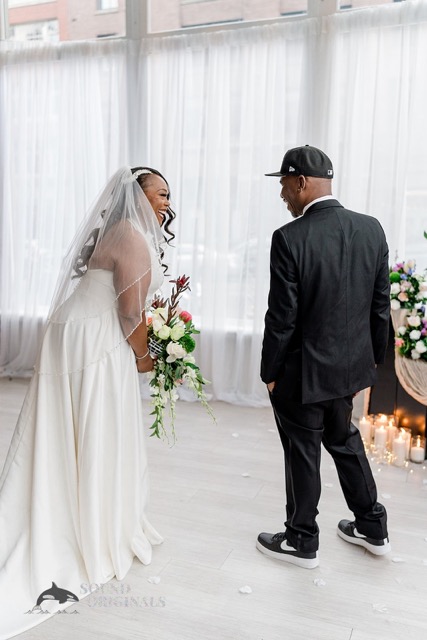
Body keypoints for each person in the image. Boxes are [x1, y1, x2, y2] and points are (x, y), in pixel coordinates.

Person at [0, 166, 175, 638]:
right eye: (159, 193)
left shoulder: (122, 230)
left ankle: (70, 498)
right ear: (135, 196)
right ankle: (90, 522)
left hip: (75, 328)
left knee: (64, 424)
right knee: (97, 425)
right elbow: (129, 310)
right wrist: (145, 357)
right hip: (94, 336)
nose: (165, 201)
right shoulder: (132, 235)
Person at [257, 145, 391, 570]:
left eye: (283, 184)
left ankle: (301, 541)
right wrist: (371, 365)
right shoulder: (372, 229)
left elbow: (282, 317)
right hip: (349, 370)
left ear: (301, 182)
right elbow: (380, 306)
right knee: (344, 440)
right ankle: (373, 527)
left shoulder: (289, 237)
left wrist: (270, 371)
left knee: (302, 449)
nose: (281, 194)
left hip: (301, 373)